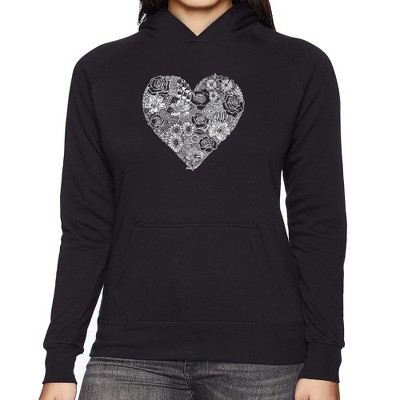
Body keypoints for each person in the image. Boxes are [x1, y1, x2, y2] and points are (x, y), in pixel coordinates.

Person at [38, 0, 347, 399]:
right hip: (128, 357)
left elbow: (318, 222)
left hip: (264, 357)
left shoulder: (299, 65)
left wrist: (324, 357)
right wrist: (59, 361)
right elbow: (86, 227)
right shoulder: (101, 70)